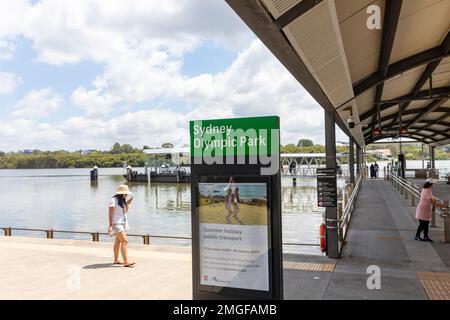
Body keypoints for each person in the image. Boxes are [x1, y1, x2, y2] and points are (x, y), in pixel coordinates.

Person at [108, 184, 135, 267]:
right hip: (116, 224)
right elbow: (110, 213)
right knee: (124, 241)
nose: (126, 194)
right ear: (121, 193)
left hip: (122, 224)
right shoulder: (113, 200)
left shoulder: (122, 201)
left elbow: (125, 212)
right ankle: (126, 261)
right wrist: (110, 225)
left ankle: (116, 260)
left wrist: (128, 204)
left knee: (118, 242)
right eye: (125, 193)